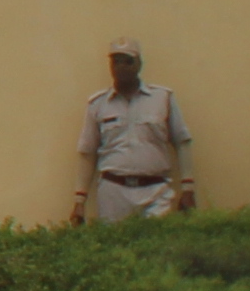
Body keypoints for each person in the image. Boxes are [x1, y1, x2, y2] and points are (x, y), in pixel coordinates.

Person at [76, 42, 192, 222]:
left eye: (128, 62)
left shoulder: (162, 98)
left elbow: (182, 142)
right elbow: (88, 153)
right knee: (115, 246)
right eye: (116, 62)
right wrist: (79, 200)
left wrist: (188, 188)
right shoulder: (97, 105)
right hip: (114, 191)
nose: (121, 67)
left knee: (157, 245)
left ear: (139, 64)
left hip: (155, 190)